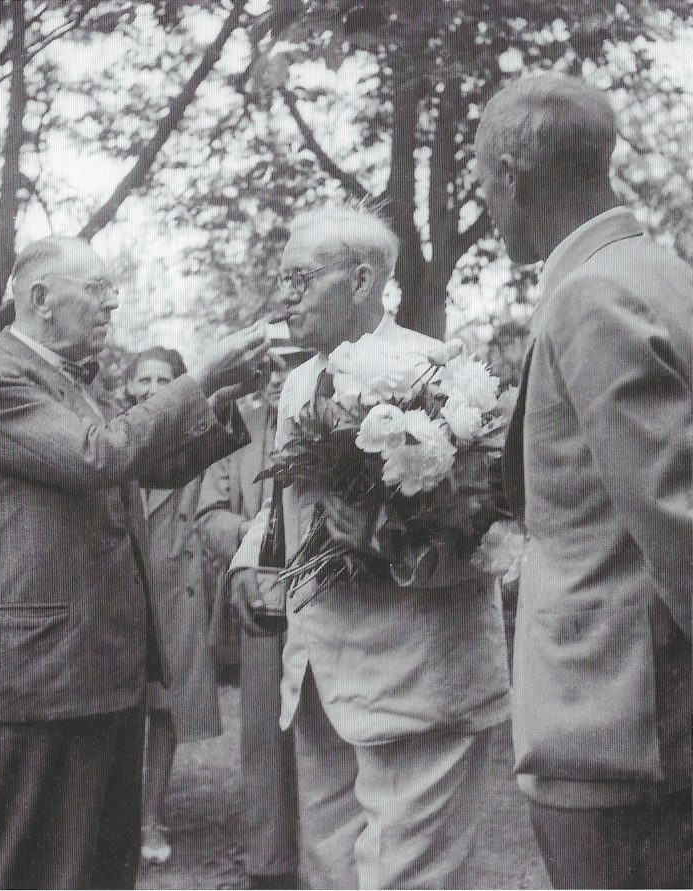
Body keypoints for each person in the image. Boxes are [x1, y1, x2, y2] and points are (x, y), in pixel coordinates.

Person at [0, 235, 267, 889]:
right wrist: (198, 374)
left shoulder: (69, 384)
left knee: (99, 873)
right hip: (37, 681)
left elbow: (150, 464)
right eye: (96, 290)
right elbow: (102, 454)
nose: (112, 302)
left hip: (97, 672)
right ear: (39, 298)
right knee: (18, 873)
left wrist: (225, 396)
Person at [228, 204, 510, 889]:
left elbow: (487, 527)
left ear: (360, 280)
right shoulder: (297, 383)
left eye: (301, 278)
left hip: (416, 678)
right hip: (321, 677)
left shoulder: (436, 374)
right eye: (284, 279)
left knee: (403, 877)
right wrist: (251, 561)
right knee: (328, 870)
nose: (286, 296)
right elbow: (280, 506)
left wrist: (387, 545)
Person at [474, 73, 692, 889]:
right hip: (631, 710)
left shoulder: (592, 292)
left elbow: (672, 518)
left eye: (485, 186)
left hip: (617, 724)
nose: (490, 210)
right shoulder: (661, 270)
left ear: (515, 175)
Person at [197, 371, 300, 890]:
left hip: (330, 599)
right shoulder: (239, 429)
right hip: (262, 601)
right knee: (265, 732)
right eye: (274, 369)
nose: (284, 379)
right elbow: (208, 515)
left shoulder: (340, 419)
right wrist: (255, 532)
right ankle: (270, 864)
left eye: (295, 364)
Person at [122, 346, 223, 865]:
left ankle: (151, 816)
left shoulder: (194, 447)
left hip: (174, 595)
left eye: (163, 379)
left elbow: (209, 516)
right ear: (129, 387)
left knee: (163, 717)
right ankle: (115, 817)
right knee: (117, 713)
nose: (150, 388)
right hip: (122, 596)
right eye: (142, 379)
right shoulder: (116, 438)